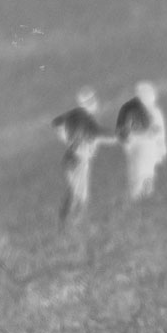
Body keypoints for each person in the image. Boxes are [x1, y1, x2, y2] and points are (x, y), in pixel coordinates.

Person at [51, 87, 116, 228]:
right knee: (82, 198)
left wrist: (65, 138)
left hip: (68, 158)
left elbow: (56, 123)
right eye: (94, 100)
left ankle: (63, 222)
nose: (96, 103)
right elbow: (101, 135)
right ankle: (73, 226)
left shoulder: (74, 114)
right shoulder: (88, 120)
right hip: (79, 160)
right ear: (91, 102)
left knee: (72, 192)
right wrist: (119, 136)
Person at [116, 81, 167, 200]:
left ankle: (142, 196)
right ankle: (139, 196)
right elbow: (123, 132)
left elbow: (159, 133)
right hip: (142, 146)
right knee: (140, 174)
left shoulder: (149, 112)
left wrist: (161, 149)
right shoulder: (133, 111)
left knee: (144, 173)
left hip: (145, 147)